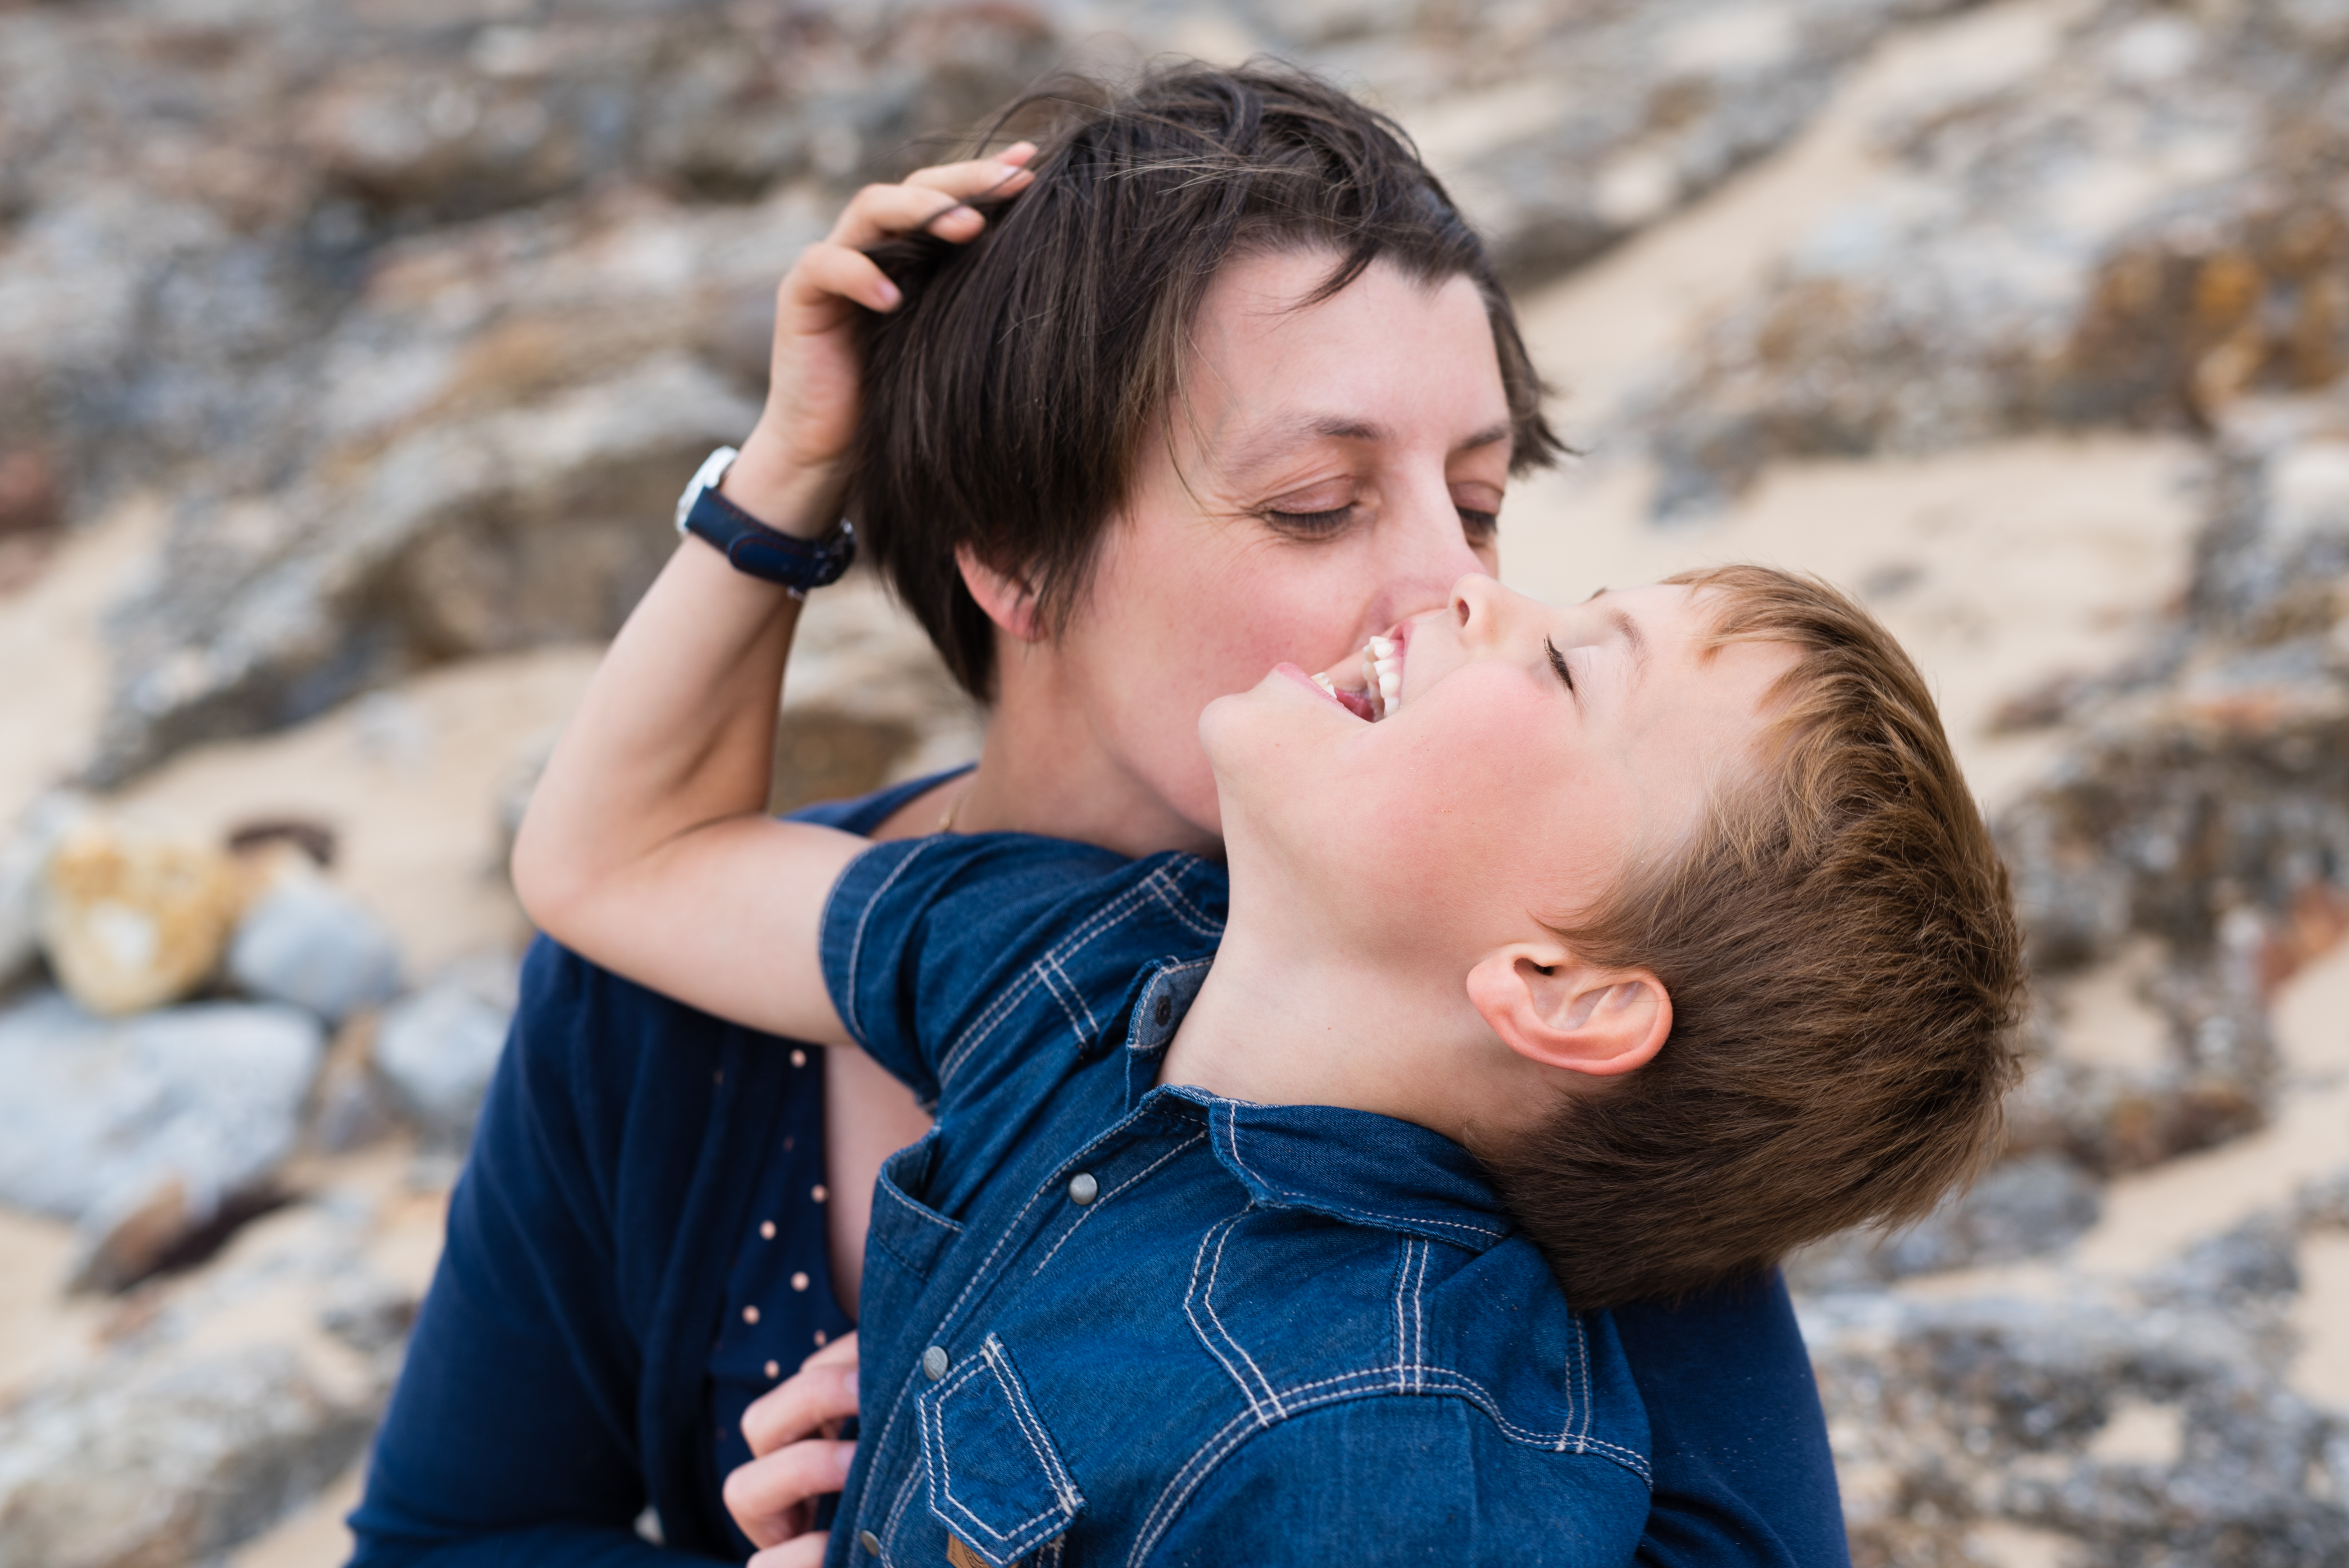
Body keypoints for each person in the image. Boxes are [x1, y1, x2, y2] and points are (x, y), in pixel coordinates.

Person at [346, 64, 1880, 1567]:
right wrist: (798, 463)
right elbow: (447, 1537)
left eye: (1476, 500)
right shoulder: (767, 975)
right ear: (1012, 549)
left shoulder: (1473, 1016)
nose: (1453, 583)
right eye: (1312, 501)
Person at [509, 432, 2023, 1561]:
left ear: (1563, 990)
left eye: (1571, 670)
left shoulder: (1385, 1458)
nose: (1479, 592)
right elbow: (613, 862)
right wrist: (788, 469)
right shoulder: (1075, 971)